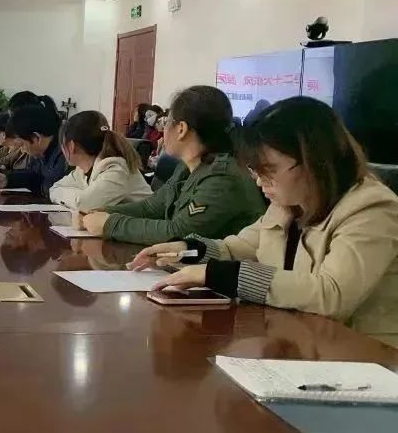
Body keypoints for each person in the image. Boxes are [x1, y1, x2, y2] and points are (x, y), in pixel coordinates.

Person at [130, 97, 398, 347]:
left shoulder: (371, 209)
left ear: (314, 161)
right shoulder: (289, 204)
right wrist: (185, 251)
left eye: (268, 170)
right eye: (255, 171)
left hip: (364, 358)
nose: (259, 182)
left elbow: (331, 294)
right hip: (296, 343)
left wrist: (221, 275)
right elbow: (240, 247)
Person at [81, 86, 265, 244]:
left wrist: (110, 224)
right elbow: (151, 208)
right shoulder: (188, 167)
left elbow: (179, 232)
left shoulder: (222, 178)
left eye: (166, 122)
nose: (163, 130)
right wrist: (98, 213)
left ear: (181, 129)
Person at [49, 111, 152, 212]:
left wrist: (79, 197)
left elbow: (85, 204)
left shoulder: (115, 168)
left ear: (71, 146)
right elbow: (54, 188)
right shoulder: (81, 171)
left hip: (145, 222)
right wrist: (80, 196)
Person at [0, 96, 68, 197]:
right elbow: (32, 176)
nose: (21, 149)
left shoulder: (65, 153)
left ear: (36, 138)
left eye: (22, 144)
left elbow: (53, 187)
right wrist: (7, 179)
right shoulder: (40, 153)